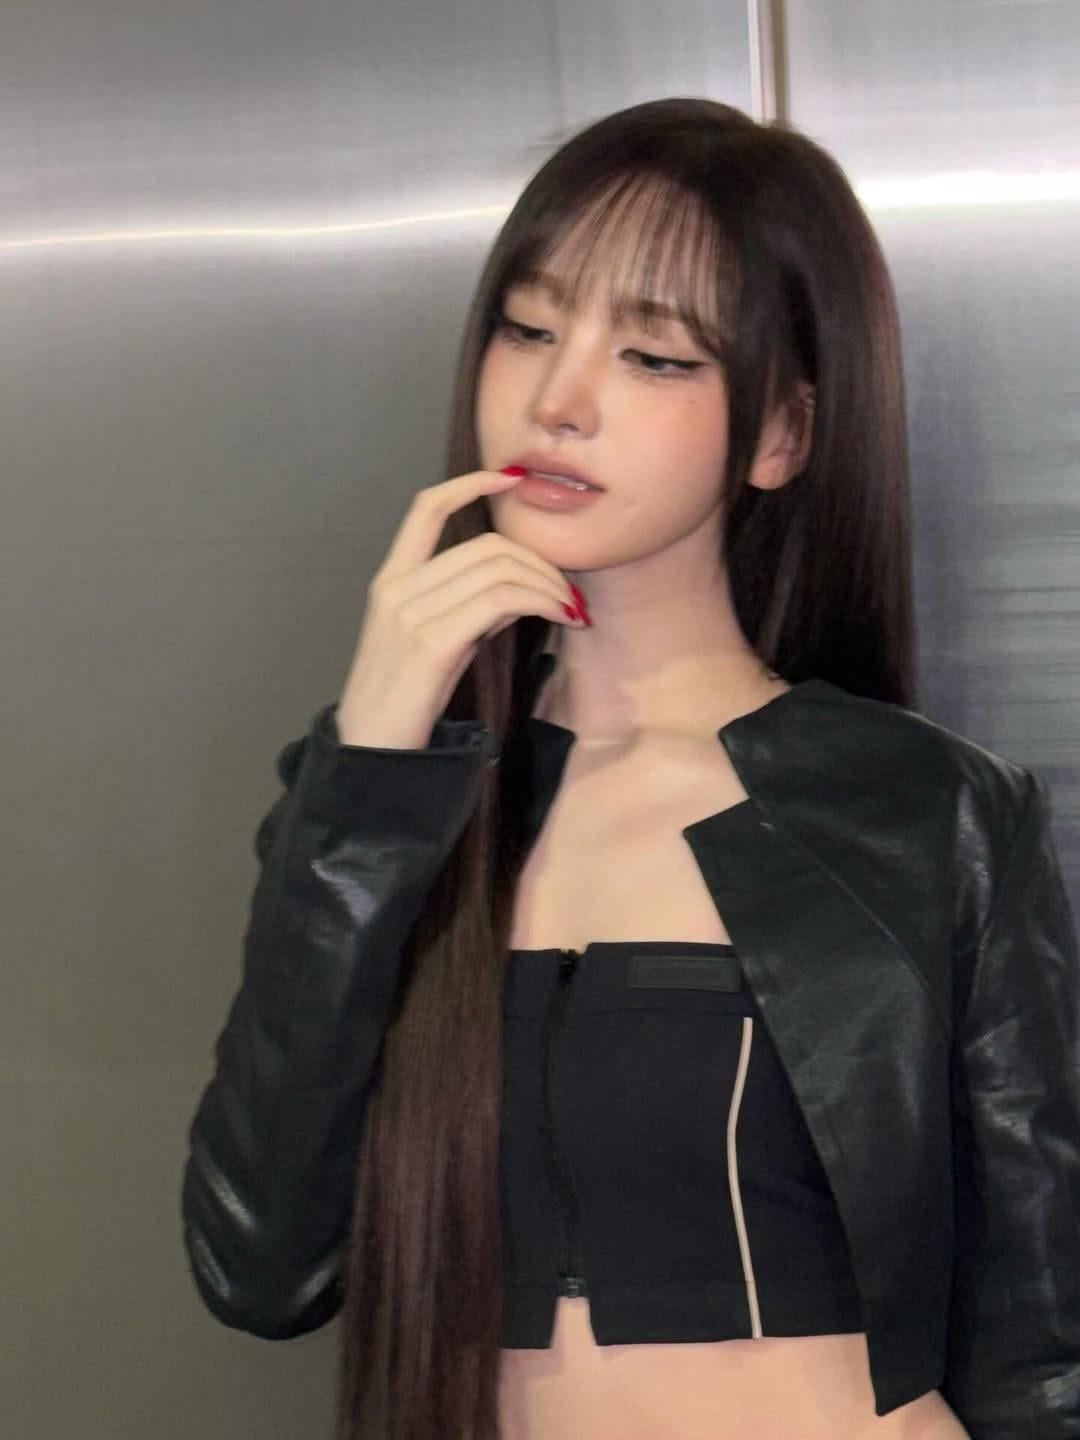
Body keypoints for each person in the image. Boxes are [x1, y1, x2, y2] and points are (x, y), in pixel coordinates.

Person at [180, 97, 1080, 1440]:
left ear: (781, 435)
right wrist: (372, 767)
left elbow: (1044, 1351)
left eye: (654, 356)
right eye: (529, 329)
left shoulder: (927, 812)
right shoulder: (379, 800)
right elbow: (260, 1269)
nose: (560, 400)